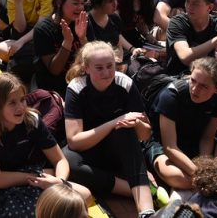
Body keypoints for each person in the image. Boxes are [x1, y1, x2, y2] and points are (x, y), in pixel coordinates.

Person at [0, 73, 91, 218]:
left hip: (24, 176)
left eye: (22, 100)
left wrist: (59, 183)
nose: (21, 107)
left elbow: (60, 160)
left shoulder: (31, 120)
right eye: (12, 102)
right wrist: (33, 177)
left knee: (84, 195)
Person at [63, 41, 155, 218]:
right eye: (99, 68)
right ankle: (133, 188)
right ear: (87, 68)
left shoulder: (125, 83)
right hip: (91, 151)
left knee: (125, 130)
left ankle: (146, 211)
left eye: (109, 66)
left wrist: (136, 123)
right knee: (68, 161)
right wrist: (114, 122)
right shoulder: (76, 88)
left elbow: (145, 135)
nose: (106, 73)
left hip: (121, 152)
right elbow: (74, 142)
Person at [144, 57, 217, 190]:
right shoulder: (171, 95)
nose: (195, 89)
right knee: (178, 177)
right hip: (163, 143)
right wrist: (201, 174)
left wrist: (204, 164)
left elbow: (207, 137)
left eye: (203, 86)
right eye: (193, 80)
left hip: (195, 139)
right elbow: (170, 147)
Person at [32, 0, 89, 94]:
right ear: (59, 3)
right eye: (76, 3)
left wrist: (82, 38)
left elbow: (92, 57)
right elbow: (55, 70)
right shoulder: (43, 29)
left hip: (80, 81)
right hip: (55, 87)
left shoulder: (82, 22)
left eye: (82, 3)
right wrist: (67, 43)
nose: (80, 7)